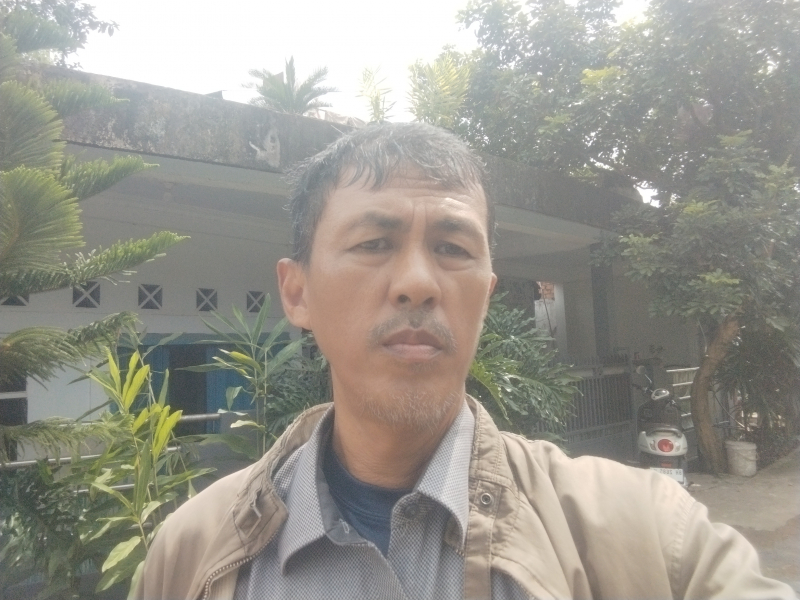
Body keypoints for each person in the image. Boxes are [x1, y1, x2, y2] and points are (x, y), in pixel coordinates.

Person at [134, 123, 795, 600]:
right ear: (297, 291)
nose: (418, 282)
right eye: (374, 242)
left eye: (452, 248)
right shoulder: (192, 555)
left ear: (486, 295)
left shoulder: (646, 537)